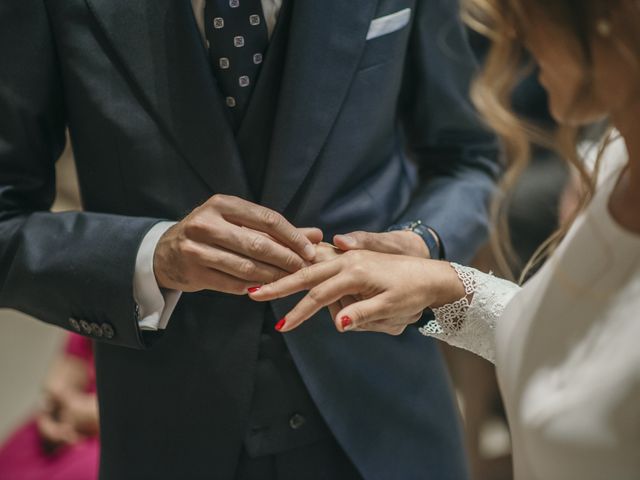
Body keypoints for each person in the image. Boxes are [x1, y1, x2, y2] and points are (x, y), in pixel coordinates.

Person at [0, 0, 499, 478]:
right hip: (167, 437)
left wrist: (420, 244)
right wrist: (152, 255)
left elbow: (465, 158)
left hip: (387, 421)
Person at [249, 0, 640, 478]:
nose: (514, 39)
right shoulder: (618, 163)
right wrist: (444, 288)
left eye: (532, 14)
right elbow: (570, 349)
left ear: (611, 20)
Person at [0, 334, 99, 480]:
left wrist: (92, 416)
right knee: (14, 458)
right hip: (68, 418)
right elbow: (70, 362)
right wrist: (52, 407)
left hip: (120, 431)